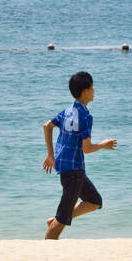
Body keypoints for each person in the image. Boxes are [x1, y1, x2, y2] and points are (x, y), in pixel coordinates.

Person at [42, 71, 117, 239]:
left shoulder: (67, 111)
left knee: (95, 201)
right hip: (74, 171)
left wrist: (50, 155)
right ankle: (48, 243)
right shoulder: (85, 116)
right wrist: (103, 145)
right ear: (85, 92)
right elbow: (87, 148)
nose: (94, 90)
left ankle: (55, 219)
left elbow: (47, 126)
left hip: (69, 168)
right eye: (92, 87)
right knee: (62, 218)